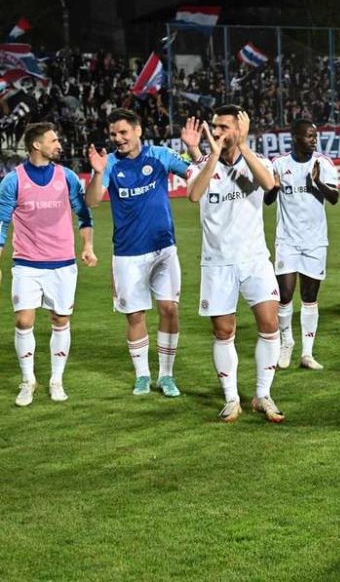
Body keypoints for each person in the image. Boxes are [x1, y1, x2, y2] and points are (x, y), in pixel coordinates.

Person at [85, 109, 201, 396]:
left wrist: (193, 150)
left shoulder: (160, 155)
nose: (118, 138)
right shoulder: (110, 163)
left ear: (138, 130)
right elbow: (93, 201)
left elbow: (194, 175)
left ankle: (166, 376)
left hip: (164, 249)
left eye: (123, 132)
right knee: (135, 315)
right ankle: (142, 376)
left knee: (170, 309)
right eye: (113, 134)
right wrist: (98, 172)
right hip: (128, 254)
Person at [186, 106, 285, 423]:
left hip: (255, 259)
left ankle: (263, 394)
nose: (216, 132)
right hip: (217, 262)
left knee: (269, 324)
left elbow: (269, 184)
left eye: (223, 127)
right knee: (223, 331)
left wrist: (242, 145)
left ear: (239, 129)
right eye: (214, 126)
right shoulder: (201, 165)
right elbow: (193, 195)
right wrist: (212, 157)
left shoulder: (257, 162)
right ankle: (231, 398)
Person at [1, 122, 97, 406]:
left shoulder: (66, 176)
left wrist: (88, 246)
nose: (59, 145)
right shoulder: (13, 180)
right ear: (36, 144)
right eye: (53, 140)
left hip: (62, 263)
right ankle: (28, 380)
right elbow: (1, 223)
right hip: (26, 263)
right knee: (23, 320)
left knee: (60, 320)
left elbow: (84, 214)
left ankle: (56, 379)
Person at [265, 119, 339, 371]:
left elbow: (335, 198)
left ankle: (307, 353)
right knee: (284, 295)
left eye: (315, 136)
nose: (313, 140)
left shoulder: (323, 163)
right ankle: (287, 341)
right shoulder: (278, 164)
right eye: (309, 136)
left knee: (309, 297)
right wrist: (274, 187)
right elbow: (268, 200)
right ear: (295, 137)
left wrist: (317, 183)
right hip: (287, 240)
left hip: (315, 241)